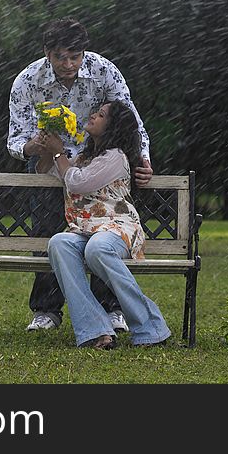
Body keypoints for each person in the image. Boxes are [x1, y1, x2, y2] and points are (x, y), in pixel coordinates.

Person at [7, 17, 153, 332]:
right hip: (48, 166)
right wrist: (36, 145)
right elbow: (16, 142)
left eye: (75, 57)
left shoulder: (104, 71)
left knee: (103, 234)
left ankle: (111, 308)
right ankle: (46, 309)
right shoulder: (27, 81)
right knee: (48, 234)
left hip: (99, 163)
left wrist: (143, 159)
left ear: (83, 52)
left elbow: (130, 120)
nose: (68, 64)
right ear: (47, 52)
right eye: (61, 57)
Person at [37, 100, 171, 349]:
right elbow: (48, 171)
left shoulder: (115, 157)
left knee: (97, 248)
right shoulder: (85, 156)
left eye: (101, 115)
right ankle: (95, 330)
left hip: (117, 226)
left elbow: (77, 183)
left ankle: (150, 327)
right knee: (59, 243)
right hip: (86, 229)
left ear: (113, 127)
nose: (93, 117)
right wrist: (46, 146)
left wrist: (58, 153)